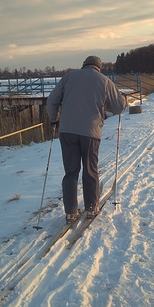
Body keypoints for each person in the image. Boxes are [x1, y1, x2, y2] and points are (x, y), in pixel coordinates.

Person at [47, 55, 126, 224]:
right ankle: (91, 207)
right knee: (90, 170)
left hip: (67, 131)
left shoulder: (68, 76)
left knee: (71, 172)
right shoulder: (104, 81)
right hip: (90, 132)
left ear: (83, 65)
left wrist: (54, 119)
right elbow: (119, 107)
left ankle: (70, 211)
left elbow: (52, 100)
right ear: (99, 67)